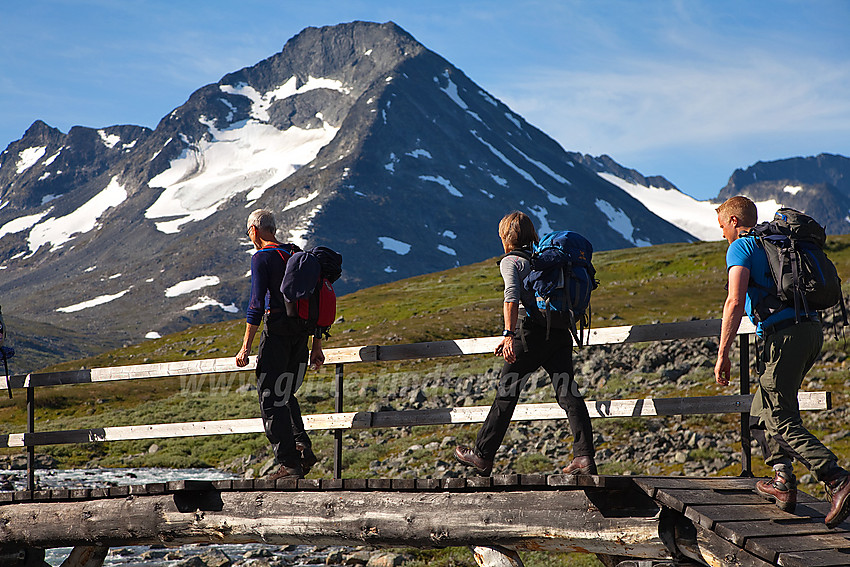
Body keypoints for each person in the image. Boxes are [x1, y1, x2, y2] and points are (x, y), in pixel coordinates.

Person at [715, 196, 850, 527]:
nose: (721, 235)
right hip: (810, 331)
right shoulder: (778, 242)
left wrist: (723, 354)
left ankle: (836, 479)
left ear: (734, 221)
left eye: (721, 227)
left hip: (783, 335)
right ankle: (781, 480)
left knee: (779, 418)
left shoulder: (742, 247)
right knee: (763, 406)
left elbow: (734, 301)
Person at [454, 211, 596, 476]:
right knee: (567, 392)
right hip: (559, 331)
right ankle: (584, 457)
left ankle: (483, 456)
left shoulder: (512, 261)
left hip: (529, 333)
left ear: (506, 236)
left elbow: (511, 296)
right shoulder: (545, 258)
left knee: (506, 393)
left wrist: (508, 334)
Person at [235, 209, 324, 480]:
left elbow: (256, 304)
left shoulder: (262, 257)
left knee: (270, 398)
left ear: (254, 231)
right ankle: (302, 448)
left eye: (249, 231)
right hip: (301, 335)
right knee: (285, 393)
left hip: (276, 335)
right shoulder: (295, 253)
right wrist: (317, 345)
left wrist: (246, 346)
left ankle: (289, 464)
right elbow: (316, 300)